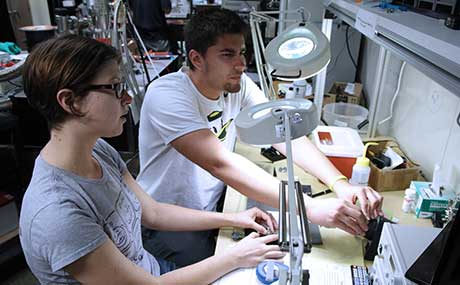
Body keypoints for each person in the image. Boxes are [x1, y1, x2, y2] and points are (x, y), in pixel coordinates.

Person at [19, 35, 284, 284]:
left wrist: (235, 218)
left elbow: (154, 212)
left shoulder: (98, 150)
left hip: (154, 271)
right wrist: (234, 256)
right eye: (115, 87)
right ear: (71, 102)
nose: (127, 97)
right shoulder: (57, 213)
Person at [137, 8, 384, 267]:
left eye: (241, 53)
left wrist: (340, 184)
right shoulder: (167, 95)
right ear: (197, 59)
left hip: (210, 209)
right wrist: (309, 208)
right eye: (227, 54)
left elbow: (282, 132)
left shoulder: (237, 86)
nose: (241, 64)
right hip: (166, 222)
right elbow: (219, 163)